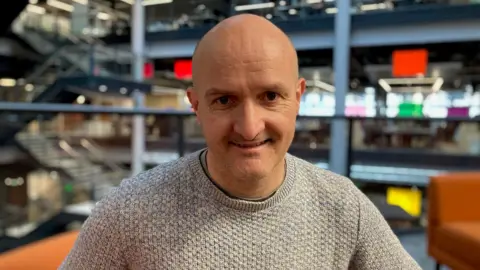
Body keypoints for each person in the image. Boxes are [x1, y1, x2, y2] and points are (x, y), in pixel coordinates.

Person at [60, 14, 421, 269]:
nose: (249, 128)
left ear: (298, 98)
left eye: (269, 96)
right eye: (224, 100)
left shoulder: (343, 207)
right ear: (195, 106)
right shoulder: (129, 211)